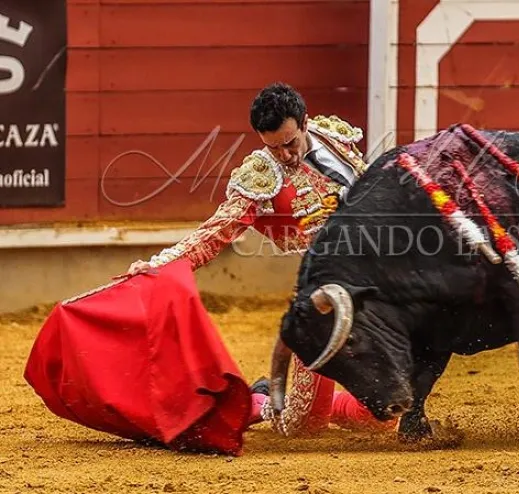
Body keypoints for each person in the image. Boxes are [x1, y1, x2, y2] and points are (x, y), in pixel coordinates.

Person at [121, 82, 392, 436]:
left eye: (290, 143)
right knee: (302, 427)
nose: (286, 155)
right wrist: (159, 265)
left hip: (373, 295)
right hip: (321, 306)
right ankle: (257, 400)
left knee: (379, 417)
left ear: (306, 123)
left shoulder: (334, 136)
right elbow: (213, 234)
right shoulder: (262, 176)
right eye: (274, 147)